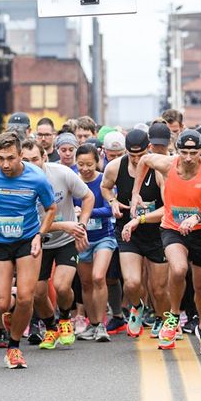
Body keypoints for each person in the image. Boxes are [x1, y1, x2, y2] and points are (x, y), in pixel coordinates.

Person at [133, 129, 201, 353]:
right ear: (177, 151)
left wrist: (199, 217)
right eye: (184, 152)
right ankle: (173, 316)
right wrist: (137, 192)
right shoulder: (168, 165)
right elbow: (144, 160)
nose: (188, 157)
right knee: (178, 269)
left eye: (193, 152)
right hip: (172, 228)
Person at [0, 130, 56, 369]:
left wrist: (40, 234)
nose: (5, 164)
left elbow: (51, 208)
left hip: (27, 240)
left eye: (10, 158)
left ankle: (14, 348)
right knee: (0, 304)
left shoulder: (36, 177)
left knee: (27, 297)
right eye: (0, 158)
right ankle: (11, 317)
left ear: (20, 156)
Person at [22, 139, 93, 351]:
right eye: (25, 161)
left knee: (62, 286)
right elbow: (33, 224)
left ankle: (64, 319)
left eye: (35, 159)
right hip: (37, 241)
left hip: (65, 240)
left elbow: (88, 197)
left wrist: (81, 225)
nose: (31, 164)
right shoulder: (18, 183)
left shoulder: (62, 173)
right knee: (37, 292)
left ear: (44, 157)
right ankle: (50, 326)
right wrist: (64, 224)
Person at [100, 129, 164, 338]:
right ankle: (137, 307)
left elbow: (169, 207)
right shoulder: (115, 167)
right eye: (132, 155)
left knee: (158, 288)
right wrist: (112, 202)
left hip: (157, 232)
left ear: (149, 149)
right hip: (129, 232)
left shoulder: (160, 169)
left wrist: (142, 218)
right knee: (132, 282)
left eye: (141, 155)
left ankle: (163, 320)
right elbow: (105, 187)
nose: (137, 160)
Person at [74, 144, 115, 341]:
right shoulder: (73, 181)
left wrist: (85, 213)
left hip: (104, 237)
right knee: (86, 282)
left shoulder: (102, 181)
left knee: (99, 277)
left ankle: (102, 325)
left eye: (89, 164)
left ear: (97, 162)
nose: (85, 168)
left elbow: (110, 209)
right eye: (81, 164)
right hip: (80, 238)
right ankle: (93, 324)